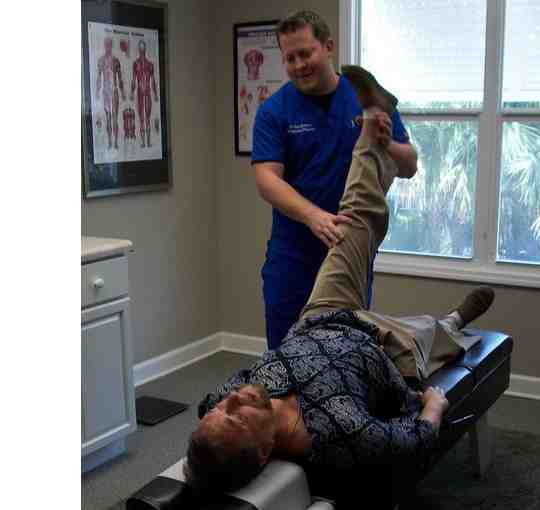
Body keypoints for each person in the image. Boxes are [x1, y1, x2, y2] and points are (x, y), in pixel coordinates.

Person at [184, 68, 495, 501]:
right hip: (384, 350)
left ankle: (371, 125)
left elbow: (215, 421)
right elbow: (416, 441)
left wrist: (216, 424)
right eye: (234, 416)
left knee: (355, 217)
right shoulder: (340, 432)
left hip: (321, 317)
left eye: (221, 407)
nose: (232, 399)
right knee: (432, 333)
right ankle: (455, 320)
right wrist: (433, 405)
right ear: (264, 452)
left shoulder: (232, 400)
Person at [252, 10, 419, 349]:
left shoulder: (364, 97)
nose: (299, 65)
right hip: (293, 256)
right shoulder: (274, 111)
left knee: (344, 352)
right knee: (286, 355)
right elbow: (267, 179)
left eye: (306, 53)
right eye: (290, 58)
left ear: (328, 47)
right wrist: (313, 216)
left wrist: (386, 142)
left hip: (348, 248)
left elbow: (409, 165)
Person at [95, 36, 126, 150]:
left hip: (114, 91)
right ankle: (109, 142)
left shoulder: (116, 61)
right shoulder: (101, 61)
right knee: (108, 118)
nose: (108, 46)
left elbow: (120, 78)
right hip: (106, 92)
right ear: (104, 45)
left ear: (111, 46)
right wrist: (97, 91)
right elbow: (99, 77)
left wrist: (122, 92)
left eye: (109, 44)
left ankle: (116, 142)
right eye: (106, 44)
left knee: (115, 117)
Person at [130, 40, 158, 148]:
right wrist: (132, 93)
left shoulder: (150, 65)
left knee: (148, 118)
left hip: (148, 92)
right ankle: (143, 142)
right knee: (142, 118)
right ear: (139, 49)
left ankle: (149, 142)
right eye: (140, 48)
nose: (141, 50)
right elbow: (133, 80)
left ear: (145, 49)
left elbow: (153, 80)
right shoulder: (135, 64)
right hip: (140, 93)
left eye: (143, 48)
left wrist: (155, 94)